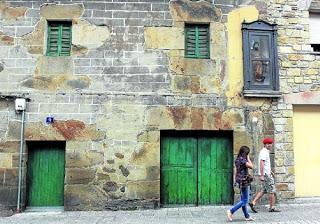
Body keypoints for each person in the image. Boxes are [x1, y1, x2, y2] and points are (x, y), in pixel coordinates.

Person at [249, 138, 281, 213]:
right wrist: (262, 175)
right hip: (266, 175)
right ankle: (272, 207)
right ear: (265, 144)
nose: (270, 145)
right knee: (272, 191)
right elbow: (262, 163)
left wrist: (271, 171)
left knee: (264, 190)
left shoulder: (266, 152)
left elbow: (266, 164)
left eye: (270, 143)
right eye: (268, 144)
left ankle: (253, 203)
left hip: (267, 173)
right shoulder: (264, 152)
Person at [227, 146, 254, 222]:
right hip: (244, 181)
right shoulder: (243, 160)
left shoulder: (237, 160)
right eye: (247, 153)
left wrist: (235, 181)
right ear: (245, 153)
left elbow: (235, 171)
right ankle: (231, 211)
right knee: (245, 200)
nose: (247, 154)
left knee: (243, 199)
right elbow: (251, 166)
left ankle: (247, 216)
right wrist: (248, 158)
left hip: (240, 180)